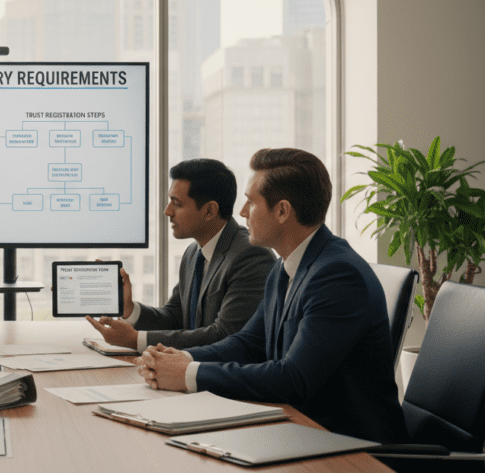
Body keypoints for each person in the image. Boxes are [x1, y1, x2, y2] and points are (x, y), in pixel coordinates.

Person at [138, 148, 406, 443]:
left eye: (251, 203)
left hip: (350, 447)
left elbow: (294, 379)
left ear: (282, 211)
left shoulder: (338, 275)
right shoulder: (285, 266)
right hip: (298, 430)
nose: (241, 213)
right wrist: (181, 358)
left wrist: (190, 374)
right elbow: (248, 343)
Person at [86, 159, 274, 351]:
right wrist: (130, 309)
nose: (167, 211)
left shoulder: (251, 256)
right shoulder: (193, 253)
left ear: (210, 210)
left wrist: (137, 340)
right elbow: (175, 318)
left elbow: (225, 335)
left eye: (177, 203)